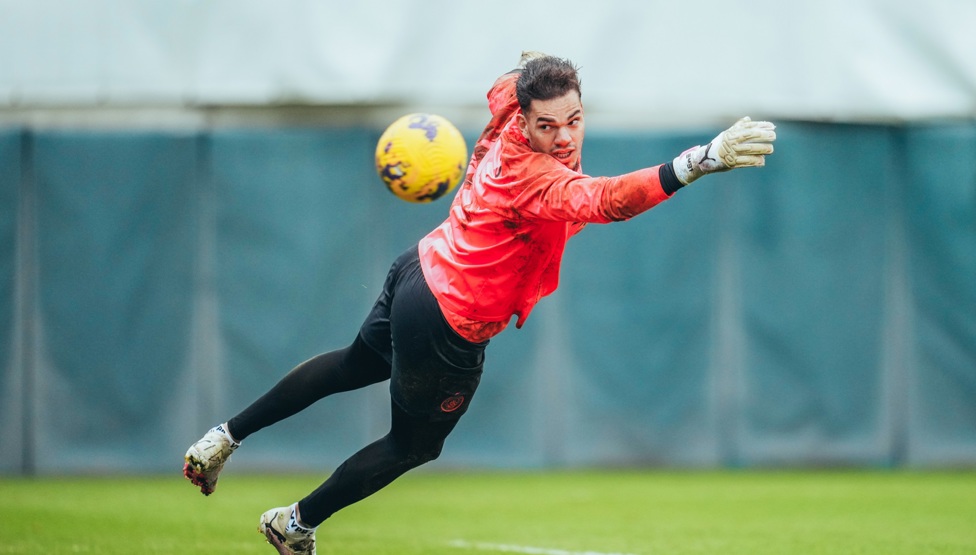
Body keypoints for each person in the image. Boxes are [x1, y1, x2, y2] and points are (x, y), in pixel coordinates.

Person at [183, 52, 776, 555]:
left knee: (351, 365)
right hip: (449, 319)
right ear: (525, 119)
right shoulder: (531, 175)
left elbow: (513, 78)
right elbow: (607, 201)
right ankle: (294, 524)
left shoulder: (508, 104)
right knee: (414, 444)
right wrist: (699, 161)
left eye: (574, 119)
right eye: (548, 126)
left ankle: (222, 437)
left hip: (420, 268)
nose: (564, 136)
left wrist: (533, 62)